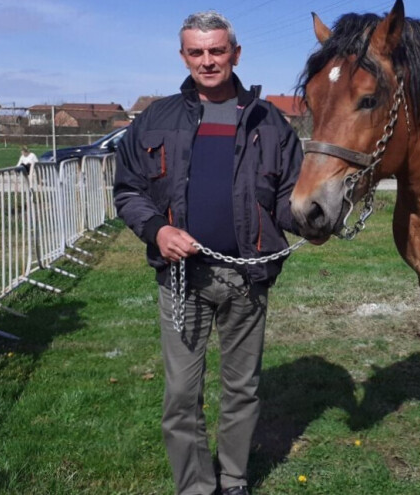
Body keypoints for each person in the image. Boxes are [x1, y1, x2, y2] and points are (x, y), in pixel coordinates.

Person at [113, 11, 303, 495]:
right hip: (183, 278)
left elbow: (288, 198)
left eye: (217, 50)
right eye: (196, 52)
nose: (207, 61)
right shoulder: (156, 118)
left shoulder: (269, 121)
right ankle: (196, 486)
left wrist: (311, 222)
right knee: (181, 393)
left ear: (235, 54)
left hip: (247, 278)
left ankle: (234, 479)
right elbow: (128, 190)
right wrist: (156, 230)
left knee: (242, 388)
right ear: (183, 56)